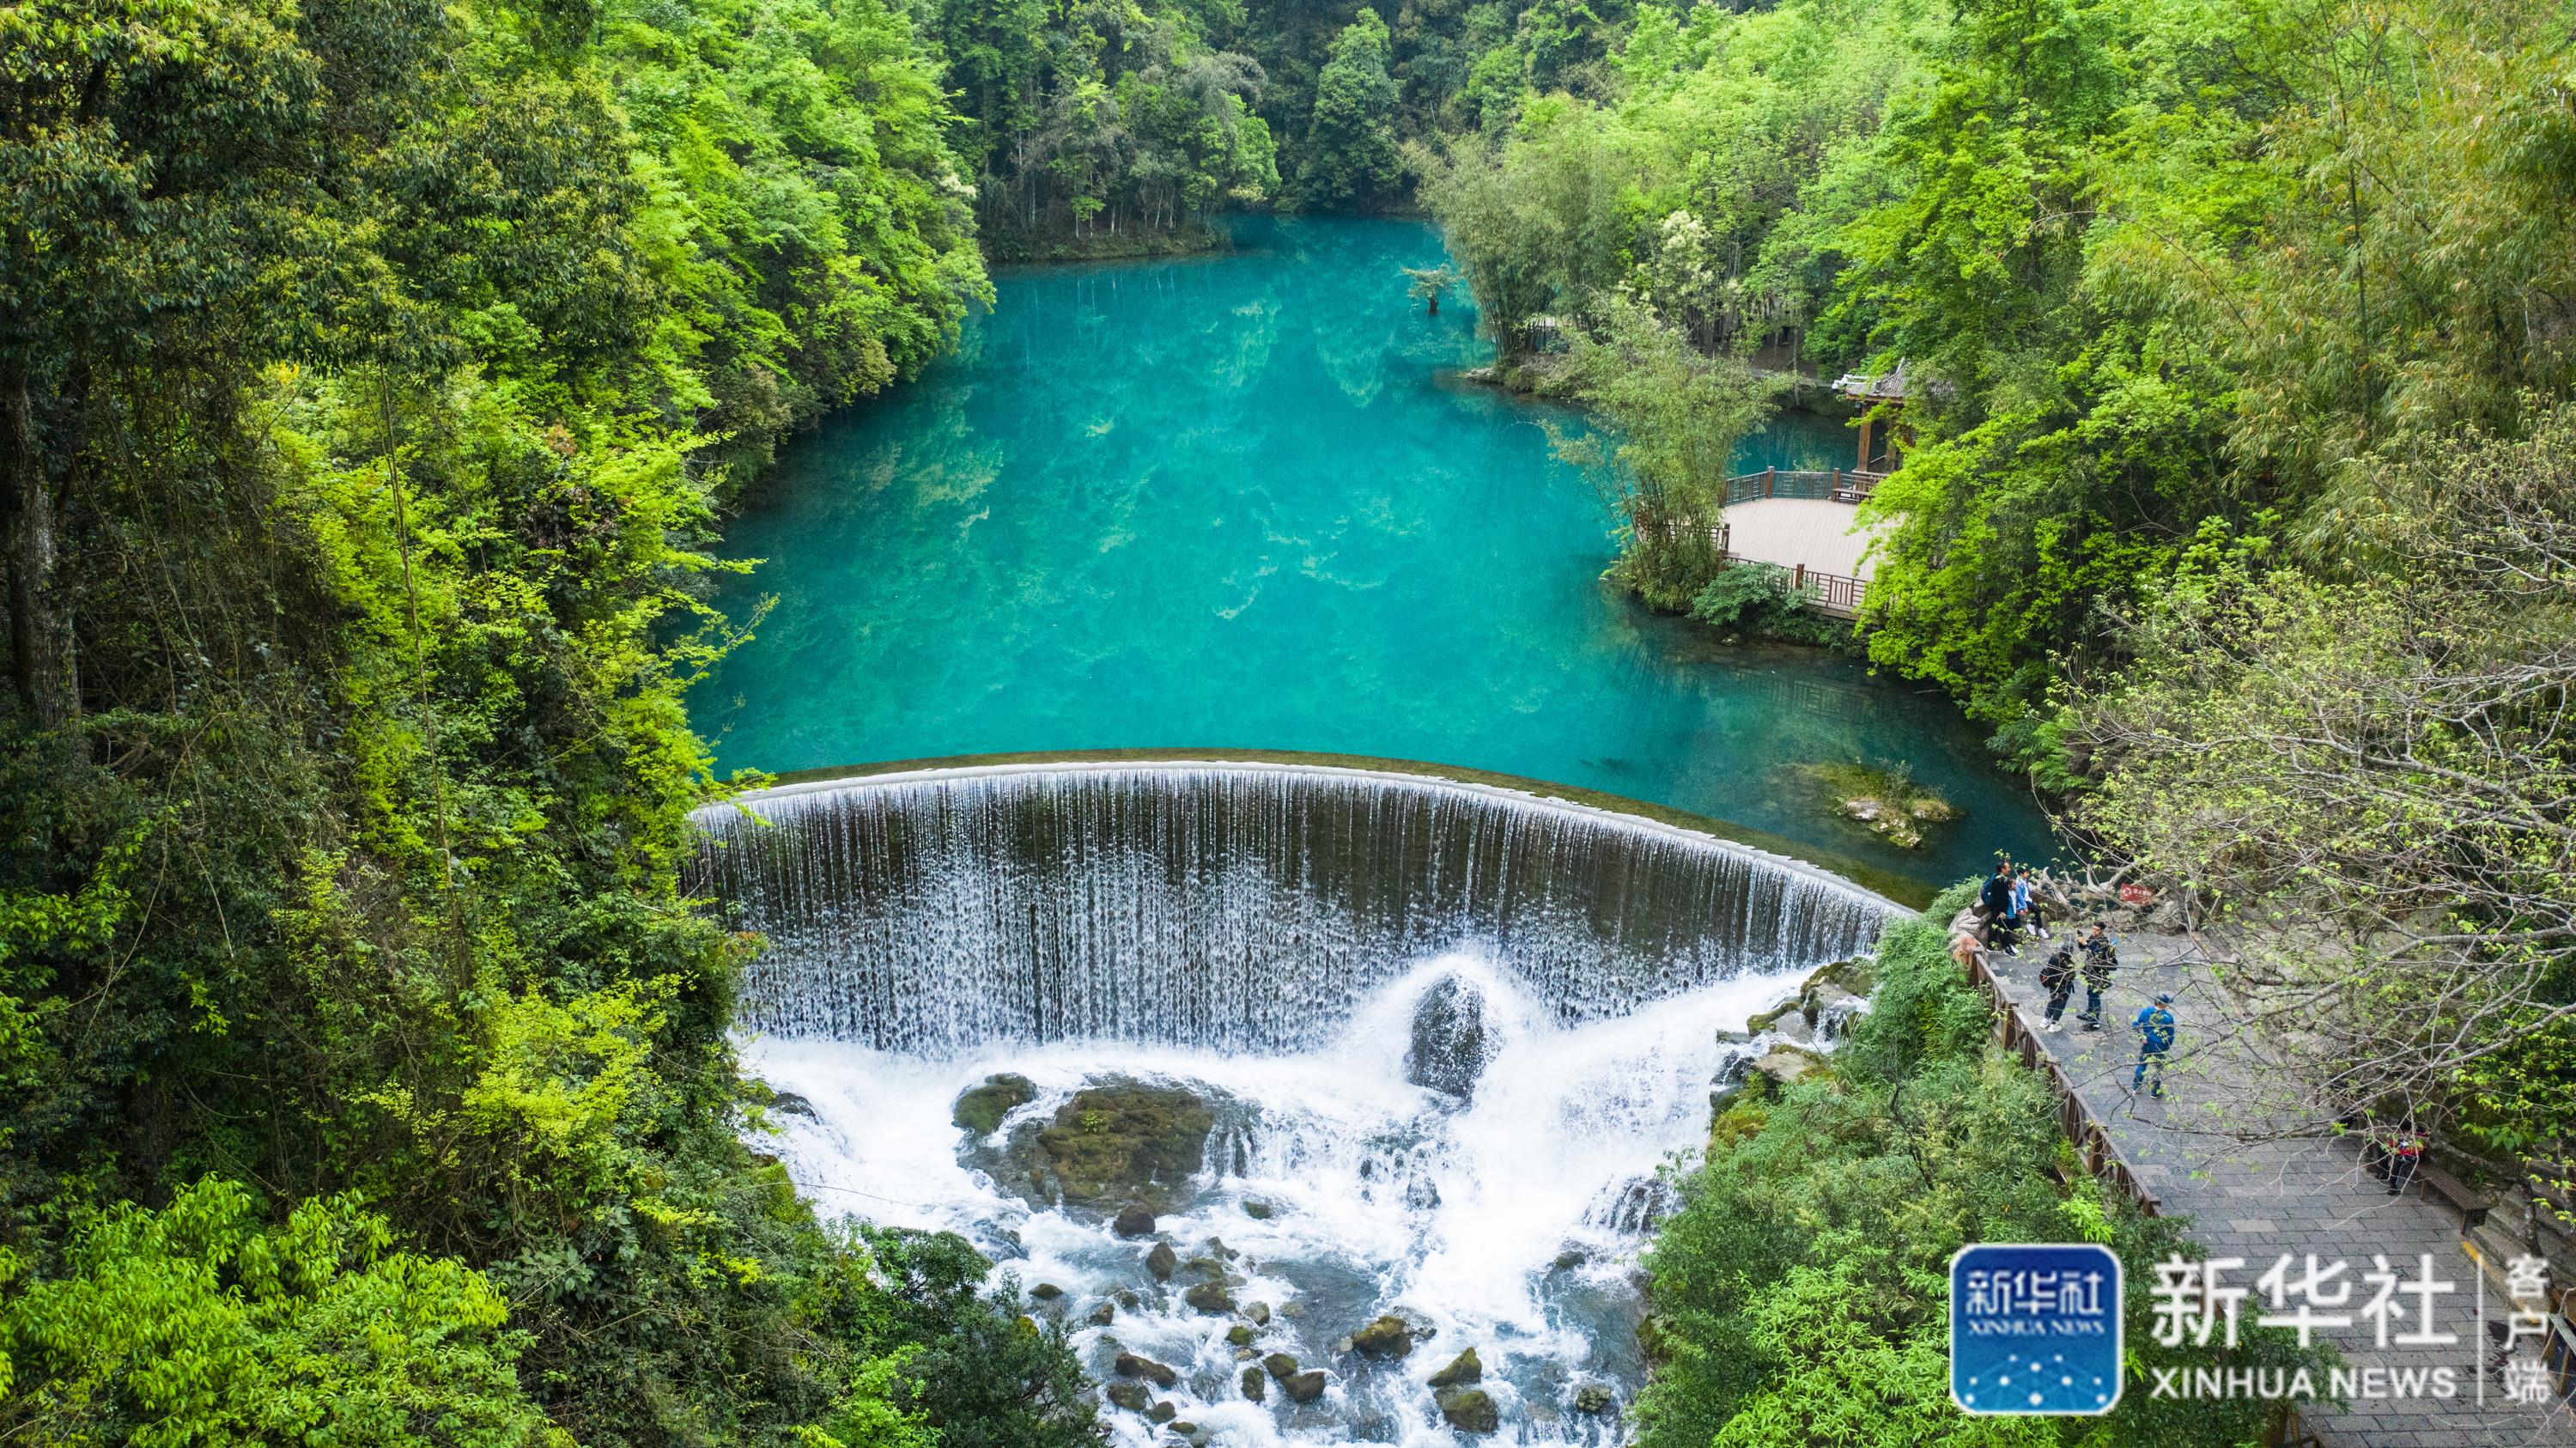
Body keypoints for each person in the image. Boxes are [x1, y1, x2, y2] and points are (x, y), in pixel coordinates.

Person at [2131, 992, 2177, 1097]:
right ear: (2163, 1005)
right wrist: (2167, 1047)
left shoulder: (2146, 1012)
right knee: (2158, 1068)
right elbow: (2170, 1036)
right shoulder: (2167, 1017)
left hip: (2147, 1044)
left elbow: (2135, 1024)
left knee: (2142, 1065)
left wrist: (2141, 1037)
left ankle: (2135, 1087)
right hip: (2160, 1047)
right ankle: (2155, 1091)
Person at [2077, 923, 2117, 1029]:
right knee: (2090, 993)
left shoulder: (2103, 942)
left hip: (2098, 973)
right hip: (2090, 971)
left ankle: (2095, 1022)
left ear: (2102, 931)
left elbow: (2095, 956)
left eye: (2097, 930)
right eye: (2093, 928)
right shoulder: (2092, 937)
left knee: (2095, 996)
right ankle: (2090, 1012)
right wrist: (2081, 941)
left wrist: (2085, 944)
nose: (2094, 931)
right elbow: (2083, 949)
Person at [1980, 861, 2020, 955]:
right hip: (1999, 909)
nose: (2010, 869)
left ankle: (1990, 946)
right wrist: (2002, 911)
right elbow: (2000, 897)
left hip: (1995, 907)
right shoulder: (2000, 881)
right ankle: (2006, 948)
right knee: (2004, 928)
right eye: (2008, 868)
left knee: (1994, 925)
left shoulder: (1997, 877)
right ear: (2002, 869)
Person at [2038, 942, 2079, 1031]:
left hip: (2053, 985)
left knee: (2052, 1001)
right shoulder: (2069, 963)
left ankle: (2045, 1021)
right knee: (2060, 1005)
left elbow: (2048, 970)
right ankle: (2053, 1024)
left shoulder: (2054, 957)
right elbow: (2072, 976)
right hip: (2064, 986)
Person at [2015, 865, 2050, 940]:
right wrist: (2024, 907)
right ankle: (2037, 927)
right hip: (2024, 901)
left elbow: (2027, 890)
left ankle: (2033, 925)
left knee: (2037, 909)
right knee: (2037, 909)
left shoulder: (2024, 880)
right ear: (2021, 874)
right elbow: (2020, 897)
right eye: (2026, 873)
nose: (2028, 874)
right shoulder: (2018, 883)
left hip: (2028, 899)